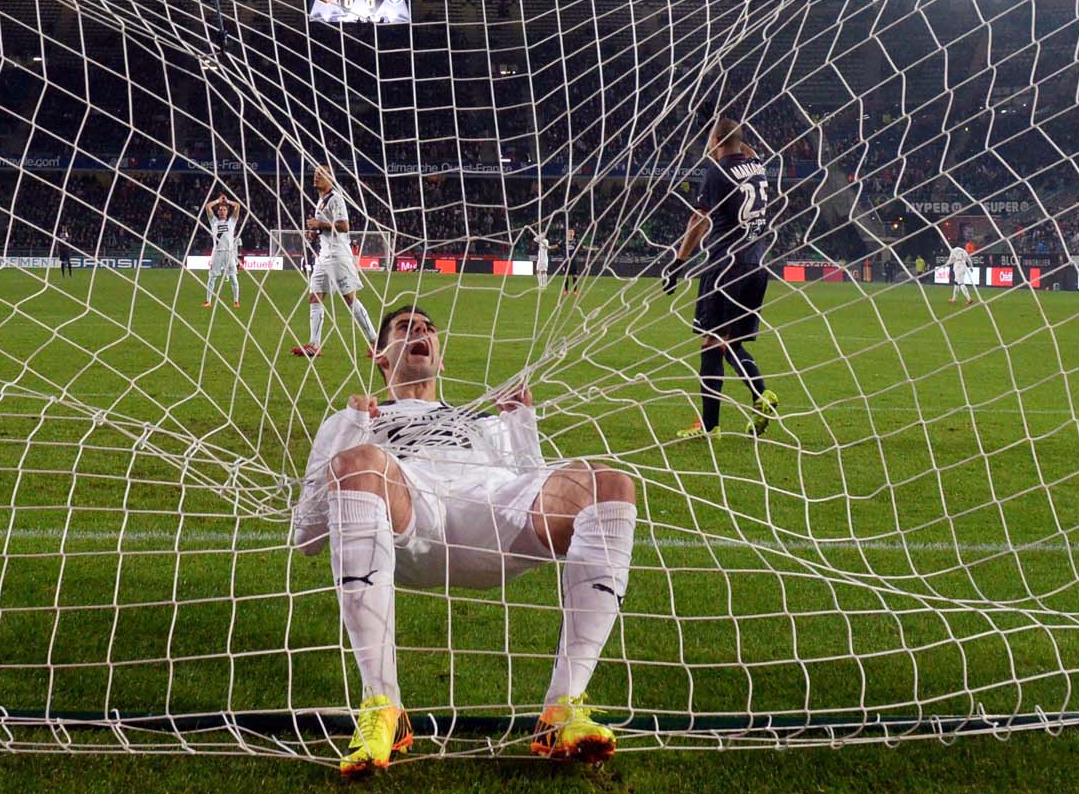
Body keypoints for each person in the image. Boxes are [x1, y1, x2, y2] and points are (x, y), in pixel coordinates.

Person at [292, 304, 638, 774]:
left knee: (609, 485)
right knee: (360, 461)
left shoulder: (480, 421)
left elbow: (532, 485)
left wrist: (520, 423)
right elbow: (307, 534)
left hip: (491, 516)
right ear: (379, 355)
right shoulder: (354, 419)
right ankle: (383, 708)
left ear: (441, 355)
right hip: (413, 517)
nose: (421, 331)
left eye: (428, 328)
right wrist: (353, 428)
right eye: (405, 327)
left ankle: (563, 708)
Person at [663, 118, 782, 438]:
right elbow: (745, 147)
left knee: (711, 343)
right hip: (755, 266)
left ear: (715, 140)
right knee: (729, 343)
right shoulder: (757, 166)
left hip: (725, 267)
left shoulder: (717, 172)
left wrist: (678, 262)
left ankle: (712, 425)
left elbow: (698, 219)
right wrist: (727, 134)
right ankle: (761, 396)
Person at [290, 165, 377, 358]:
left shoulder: (336, 198)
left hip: (338, 255)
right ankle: (314, 345)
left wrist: (319, 224)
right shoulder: (321, 201)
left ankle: (375, 341)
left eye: (321, 174)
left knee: (349, 299)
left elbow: (344, 226)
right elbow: (326, 228)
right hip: (324, 255)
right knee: (315, 296)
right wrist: (315, 232)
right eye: (315, 174)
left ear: (330, 178)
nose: (316, 177)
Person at [203, 192, 242, 308]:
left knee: (233, 278)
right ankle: (208, 301)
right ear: (218, 212)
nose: (222, 211)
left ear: (227, 212)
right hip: (217, 253)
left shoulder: (231, 222)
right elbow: (208, 207)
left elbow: (238, 206)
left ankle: (236, 301)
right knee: (212, 277)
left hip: (229, 253)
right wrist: (218, 201)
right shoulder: (214, 221)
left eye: (224, 210)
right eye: (220, 209)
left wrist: (227, 201)